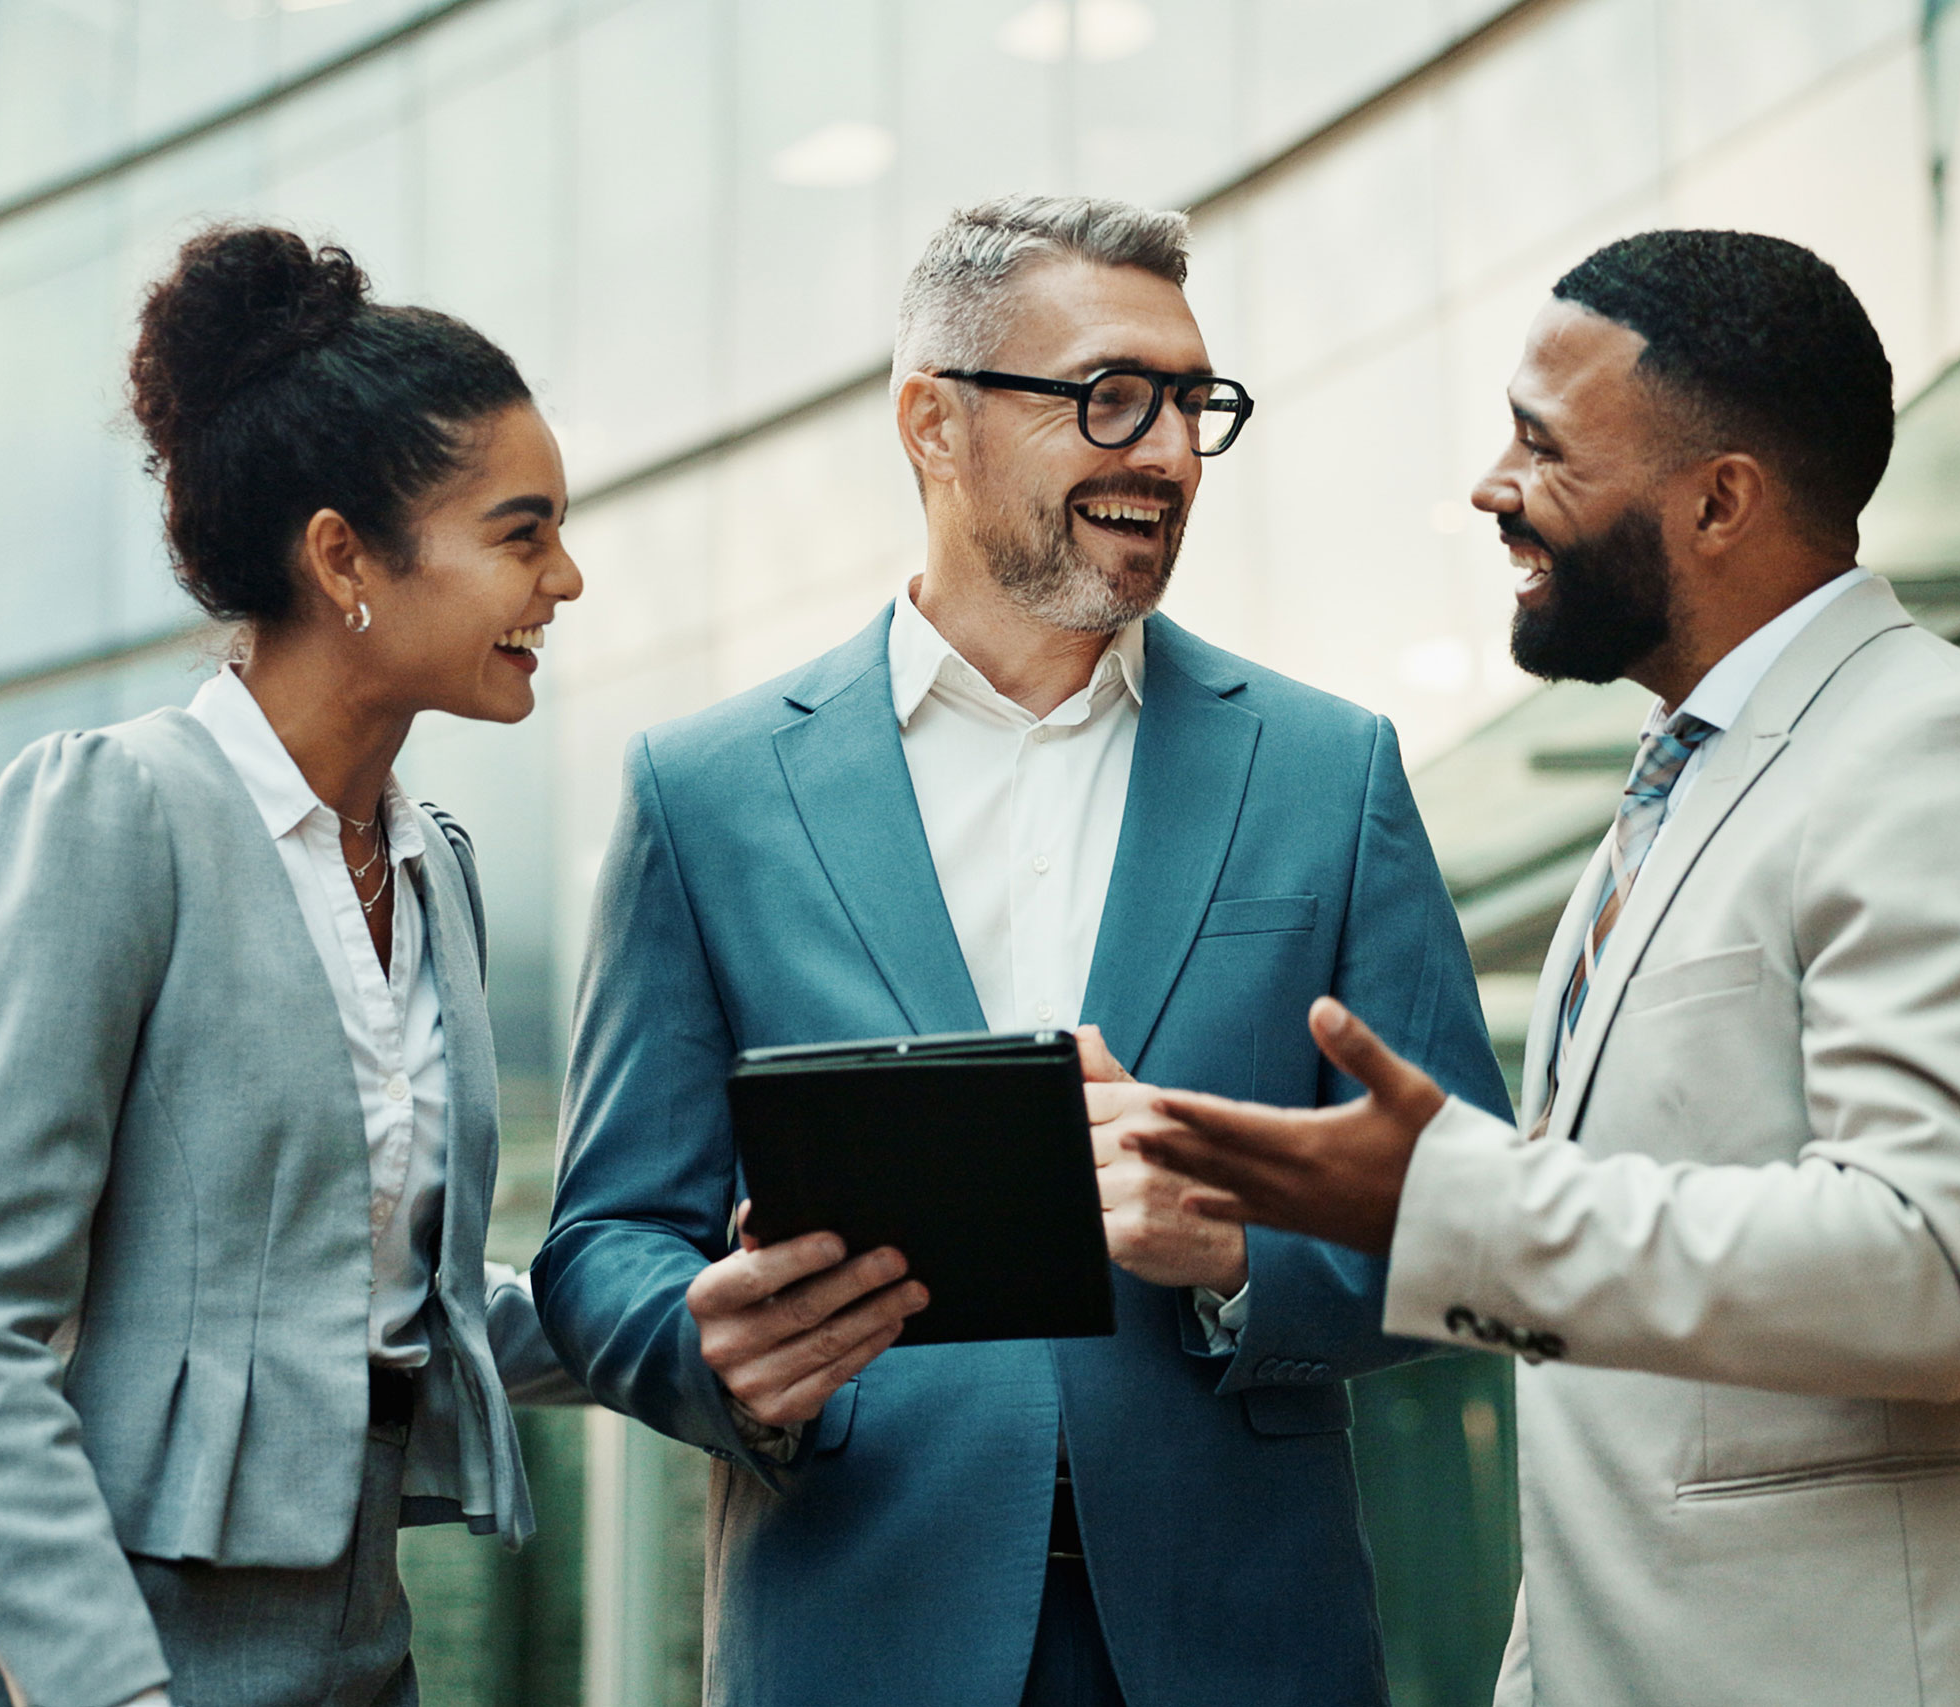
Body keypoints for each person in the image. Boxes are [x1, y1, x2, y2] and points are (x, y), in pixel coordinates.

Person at [1120, 229, 1960, 1707]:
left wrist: (1447, 1204)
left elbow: (1929, 1269)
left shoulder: (1950, 752)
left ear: (1719, 500)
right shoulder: (1680, 790)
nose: (1493, 488)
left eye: (1544, 447)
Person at [530, 194, 1506, 1707]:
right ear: (934, 422)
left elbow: (1476, 1211)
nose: (1169, 454)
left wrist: (1241, 1253)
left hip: (1244, 1639)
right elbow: (605, 1238)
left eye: (1193, 404)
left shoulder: (1330, 770)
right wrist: (709, 1346)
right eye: (1112, 397)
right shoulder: (706, 794)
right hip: (860, 1629)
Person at [0, 226, 584, 1707]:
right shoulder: (113, 814)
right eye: (522, 535)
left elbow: (381, 1292)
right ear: (344, 558)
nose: (567, 579)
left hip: (353, 1645)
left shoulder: (434, 865)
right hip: (79, 1652)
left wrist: (682, 1316)